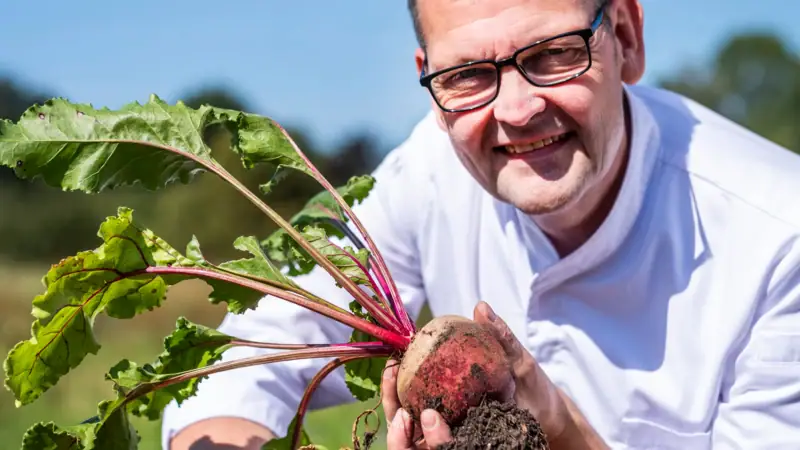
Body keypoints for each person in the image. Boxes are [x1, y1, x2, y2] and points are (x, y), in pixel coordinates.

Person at [162, 0, 800, 448]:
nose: (517, 110)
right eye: (468, 74)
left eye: (553, 55)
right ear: (430, 87)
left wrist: (559, 429)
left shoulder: (778, 238)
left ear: (627, 37)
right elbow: (240, 364)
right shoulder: (421, 177)